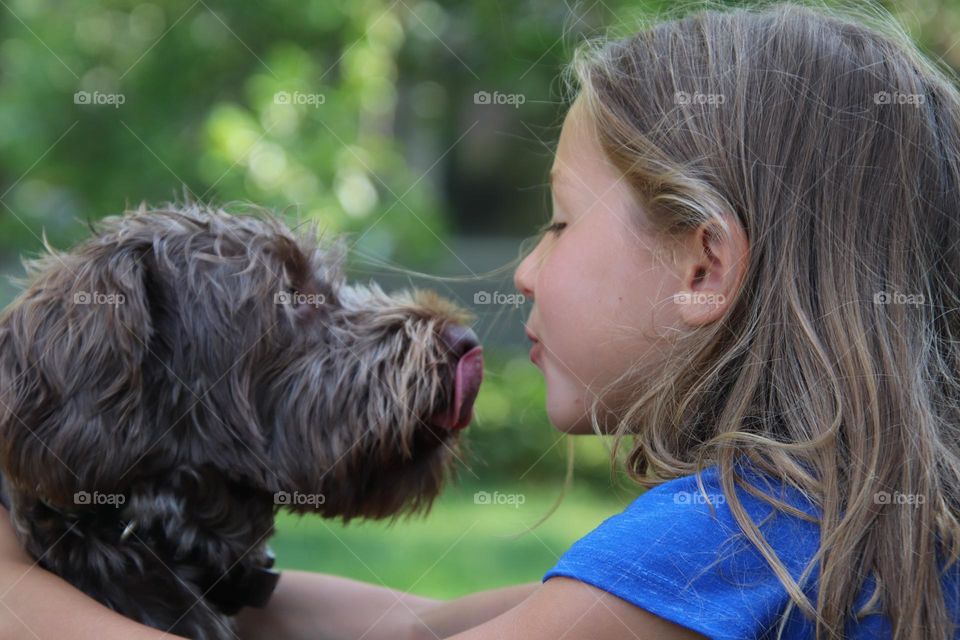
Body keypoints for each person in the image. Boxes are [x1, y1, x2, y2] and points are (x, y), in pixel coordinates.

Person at [4, 1, 960, 638]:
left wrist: (18, 600)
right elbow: (413, 629)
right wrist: (207, 586)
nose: (524, 268)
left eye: (558, 221)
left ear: (706, 267)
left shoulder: (731, 540)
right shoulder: (834, 522)